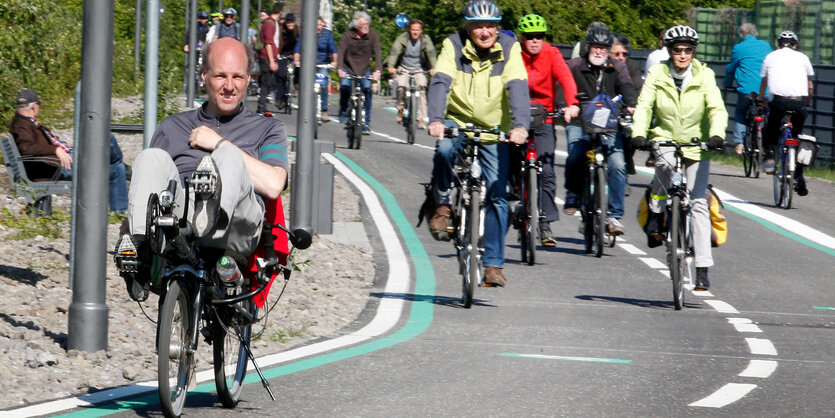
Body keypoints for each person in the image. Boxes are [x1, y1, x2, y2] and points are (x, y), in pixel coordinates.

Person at [113, 38, 290, 302]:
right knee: (151, 157)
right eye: (220, 76)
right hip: (180, 218)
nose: (229, 86)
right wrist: (129, 227)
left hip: (236, 226)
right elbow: (149, 185)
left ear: (249, 78)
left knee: (228, 155)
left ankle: (209, 218)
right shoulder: (172, 127)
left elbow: (275, 184)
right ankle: (140, 251)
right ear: (204, 76)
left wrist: (218, 143)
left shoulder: (267, 128)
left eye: (237, 77)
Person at [427, 0, 530, 287]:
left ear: (498, 27)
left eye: (490, 26)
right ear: (468, 28)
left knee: (498, 195)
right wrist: (436, 118)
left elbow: (518, 86)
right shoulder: (453, 44)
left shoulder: (510, 48)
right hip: (457, 119)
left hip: (495, 128)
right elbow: (440, 82)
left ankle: (493, 265)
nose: (484, 32)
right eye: (477, 26)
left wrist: (520, 125)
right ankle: (444, 204)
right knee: (445, 149)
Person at [631, 25, 727, 290]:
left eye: (687, 50)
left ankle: (702, 268)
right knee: (662, 164)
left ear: (693, 51)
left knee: (697, 202)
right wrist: (639, 133)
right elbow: (644, 105)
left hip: (698, 142)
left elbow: (716, 107)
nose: (683, 55)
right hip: (665, 136)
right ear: (669, 51)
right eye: (677, 50)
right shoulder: (657, 73)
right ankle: (656, 212)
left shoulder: (704, 74)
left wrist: (717, 134)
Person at [564, 27, 636, 236]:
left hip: (609, 123)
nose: (598, 51)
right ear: (587, 47)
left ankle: (614, 215)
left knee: (617, 164)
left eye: (603, 48)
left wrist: (632, 104)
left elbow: (627, 87)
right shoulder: (575, 65)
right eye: (595, 47)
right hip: (579, 121)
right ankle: (573, 194)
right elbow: (563, 87)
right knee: (576, 155)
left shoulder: (618, 67)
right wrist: (568, 106)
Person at [10, 89, 128, 213]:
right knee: (115, 163)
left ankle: (120, 170)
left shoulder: (25, 123)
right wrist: (56, 150)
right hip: (58, 167)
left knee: (106, 139)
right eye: (39, 105)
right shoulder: (21, 125)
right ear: (34, 107)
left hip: (62, 160)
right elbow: (26, 148)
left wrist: (61, 150)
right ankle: (119, 209)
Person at [516, 13, 579, 246]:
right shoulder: (514, 54)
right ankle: (515, 202)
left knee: (548, 170)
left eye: (539, 37)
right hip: (517, 117)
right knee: (511, 164)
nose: (535, 41)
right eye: (530, 37)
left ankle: (545, 222)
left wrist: (572, 104)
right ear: (522, 38)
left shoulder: (551, 53)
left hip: (545, 118)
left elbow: (565, 77)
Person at [759, 30, 814, 196]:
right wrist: (808, 101)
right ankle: (798, 175)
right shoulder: (803, 58)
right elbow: (810, 86)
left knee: (771, 130)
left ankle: (769, 158)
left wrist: (762, 99)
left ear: (778, 45)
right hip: (799, 102)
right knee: (797, 137)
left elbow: (764, 81)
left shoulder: (770, 57)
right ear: (795, 45)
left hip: (779, 101)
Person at [725, 23, 772, 154]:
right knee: (766, 111)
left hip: (746, 90)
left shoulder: (738, 48)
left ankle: (739, 142)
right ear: (755, 32)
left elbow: (731, 68)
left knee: (741, 112)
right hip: (765, 90)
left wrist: (727, 84)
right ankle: (764, 140)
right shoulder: (766, 46)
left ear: (741, 34)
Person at [385, 19, 437, 130]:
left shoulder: (425, 39)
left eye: (417, 30)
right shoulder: (402, 38)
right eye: (413, 30)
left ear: (421, 30)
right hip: (403, 68)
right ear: (410, 30)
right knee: (401, 86)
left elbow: (431, 53)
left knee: (422, 88)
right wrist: (391, 66)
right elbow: (394, 51)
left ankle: (421, 118)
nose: (415, 32)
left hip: (419, 69)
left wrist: (433, 67)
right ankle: (400, 109)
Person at [337, 11, 382, 135]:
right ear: (356, 25)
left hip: (364, 69)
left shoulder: (373, 35)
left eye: (367, 24)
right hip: (348, 67)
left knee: (367, 90)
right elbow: (341, 52)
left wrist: (377, 70)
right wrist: (340, 68)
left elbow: (378, 53)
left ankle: (366, 123)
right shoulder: (347, 35)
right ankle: (344, 111)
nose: (366, 27)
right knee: (345, 87)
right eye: (363, 25)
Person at [610, 33, 643, 194]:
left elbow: (637, 88)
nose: (621, 58)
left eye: (624, 54)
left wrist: (633, 106)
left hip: (624, 108)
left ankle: (625, 169)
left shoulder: (632, 67)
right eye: (616, 54)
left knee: (631, 135)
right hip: (603, 109)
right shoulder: (603, 66)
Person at [294, 17, 339, 122]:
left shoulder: (328, 34)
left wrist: (334, 62)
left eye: (320, 25)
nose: (318, 27)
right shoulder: (305, 34)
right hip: (308, 64)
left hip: (323, 64)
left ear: (323, 25)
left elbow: (333, 50)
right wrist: (297, 61)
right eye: (316, 25)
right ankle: (305, 107)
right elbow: (297, 49)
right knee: (305, 85)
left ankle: (324, 111)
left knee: (323, 86)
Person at [256, 4, 282, 114]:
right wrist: (272, 60)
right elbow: (268, 43)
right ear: (281, 12)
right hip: (266, 58)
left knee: (270, 82)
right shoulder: (270, 24)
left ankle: (263, 105)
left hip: (269, 57)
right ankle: (261, 107)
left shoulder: (272, 23)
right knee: (267, 83)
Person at [275, 13, 299, 110]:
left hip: (293, 52)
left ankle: (295, 85)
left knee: (297, 70)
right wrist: (277, 54)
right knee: (281, 74)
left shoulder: (297, 30)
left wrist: (296, 55)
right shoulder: (281, 29)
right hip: (283, 52)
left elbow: (299, 43)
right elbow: (278, 41)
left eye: (292, 23)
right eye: (288, 23)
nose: (290, 25)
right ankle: (280, 98)